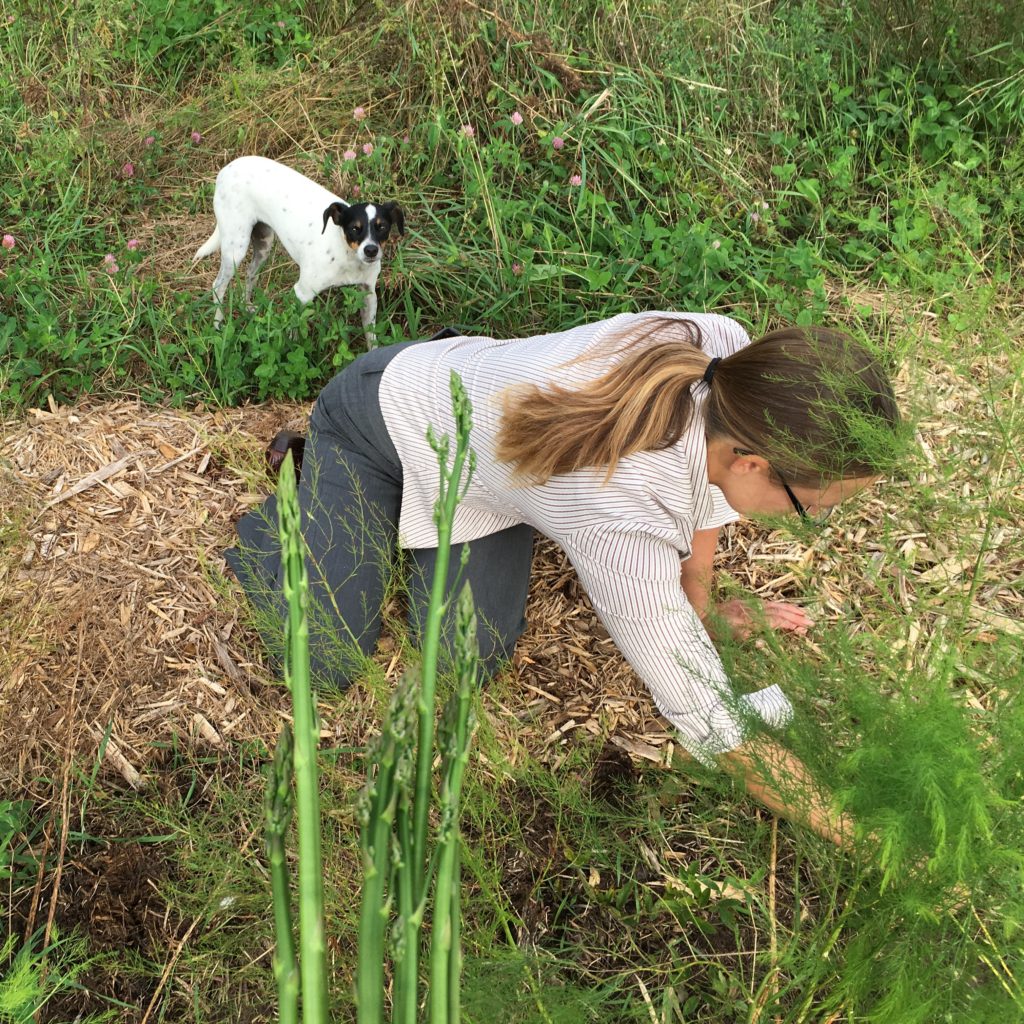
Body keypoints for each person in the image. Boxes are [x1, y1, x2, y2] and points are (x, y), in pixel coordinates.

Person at [225, 311, 901, 847]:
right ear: (753, 461)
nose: (809, 519)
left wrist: (699, 599)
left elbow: (708, 491)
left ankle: (492, 495)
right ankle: (307, 489)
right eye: (815, 505)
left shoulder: (732, 372)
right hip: (384, 419)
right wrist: (863, 839)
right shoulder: (618, 508)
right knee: (326, 657)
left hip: (500, 464)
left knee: (469, 656)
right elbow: (713, 723)